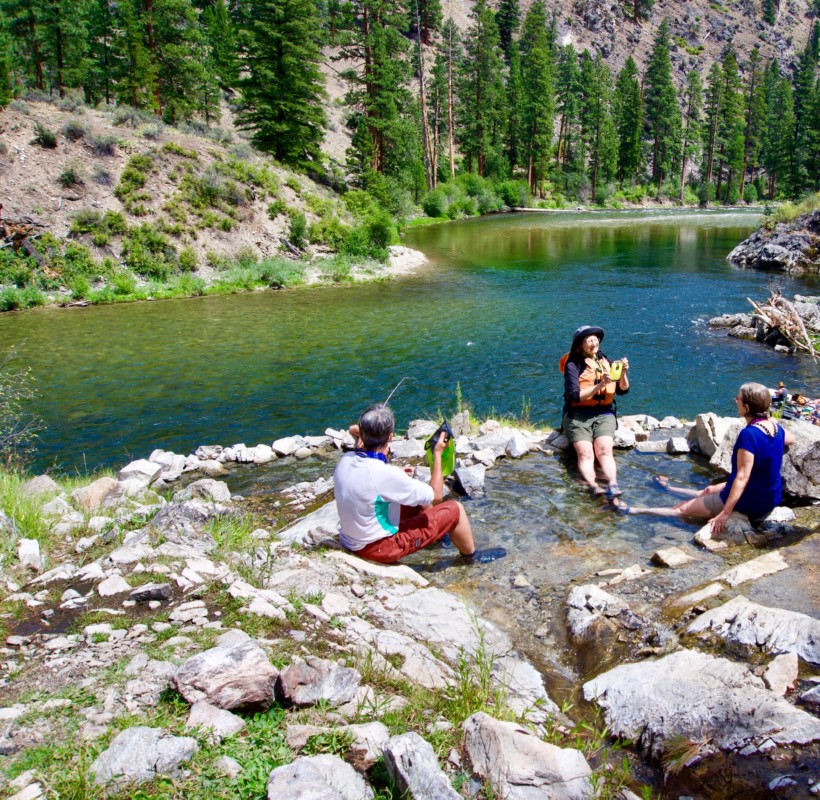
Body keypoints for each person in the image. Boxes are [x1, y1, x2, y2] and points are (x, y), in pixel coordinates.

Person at [612, 382, 795, 533]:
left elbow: (742, 477)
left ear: (746, 407)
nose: (735, 400)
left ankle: (635, 510)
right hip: (770, 495)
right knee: (708, 490)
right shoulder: (775, 429)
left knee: (682, 508)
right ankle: (669, 487)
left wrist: (725, 513)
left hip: (751, 499)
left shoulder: (749, 435)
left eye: (738, 399)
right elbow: (791, 439)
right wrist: (771, 419)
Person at [334, 403, 491, 564]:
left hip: (351, 539)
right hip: (378, 548)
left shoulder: (346, 459)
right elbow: (435, 496)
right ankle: (472, 557)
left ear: (362, 435)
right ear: (390, 437)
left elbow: (355, 431)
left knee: (419, 503)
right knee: (455, 509)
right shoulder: (384, 473)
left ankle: (440, 537)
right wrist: (437, 453)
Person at [562, 325, 630, 499]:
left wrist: (622, 374)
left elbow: (622, 390)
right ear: (580, 345)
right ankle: (593, 485)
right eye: (588, 340)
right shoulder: (573, 364)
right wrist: (599, 385)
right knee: (586, 453)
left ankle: (613, 484)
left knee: (604, 451)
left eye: (595, 339)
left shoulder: (604, 360)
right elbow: (575, 395)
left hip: (604, 413)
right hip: (578, 415)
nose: (593, 343)